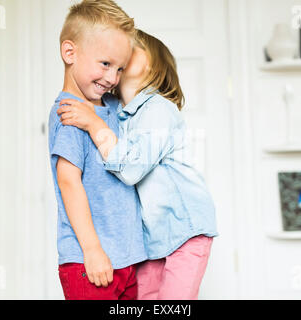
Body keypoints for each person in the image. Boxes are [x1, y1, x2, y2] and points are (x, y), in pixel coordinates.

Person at [57, 29, 218, 300]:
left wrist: (93, 123)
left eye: (132, 47)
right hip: (151, 239)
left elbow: (131, 169)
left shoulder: (159, 109)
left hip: (184, 230)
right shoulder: (118, 115)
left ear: (152, 64)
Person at [47, 0, 147, 300]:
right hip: (90, 261)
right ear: (69, 53)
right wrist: (92, 250)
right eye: (105, 64)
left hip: (127, 260)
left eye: (119, 68)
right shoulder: (69, 113)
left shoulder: (115, 107)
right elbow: (69, 182)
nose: (113, 78)